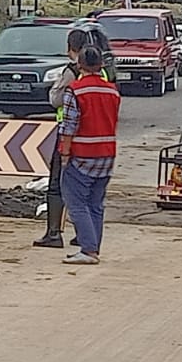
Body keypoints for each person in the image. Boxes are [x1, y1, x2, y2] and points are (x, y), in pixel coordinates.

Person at [58, 44, 121, 266]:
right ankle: (93, 247)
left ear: (79, 64)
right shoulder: (112, 90)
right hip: (107, 154)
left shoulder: (75, 90)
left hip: (82, 154)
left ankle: (88, 249)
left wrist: (64, 154)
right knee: (96, 203)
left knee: (76, 202)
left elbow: (69, 126)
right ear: (101, 65)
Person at [34, 27, 93, 250]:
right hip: (93, 137)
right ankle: (83, 232)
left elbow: (55, 99)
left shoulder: (70, 72)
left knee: (57, 185)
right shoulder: (102, 71)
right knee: (85, 186)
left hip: (68, 134)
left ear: (70, 48)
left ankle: (53, 233)